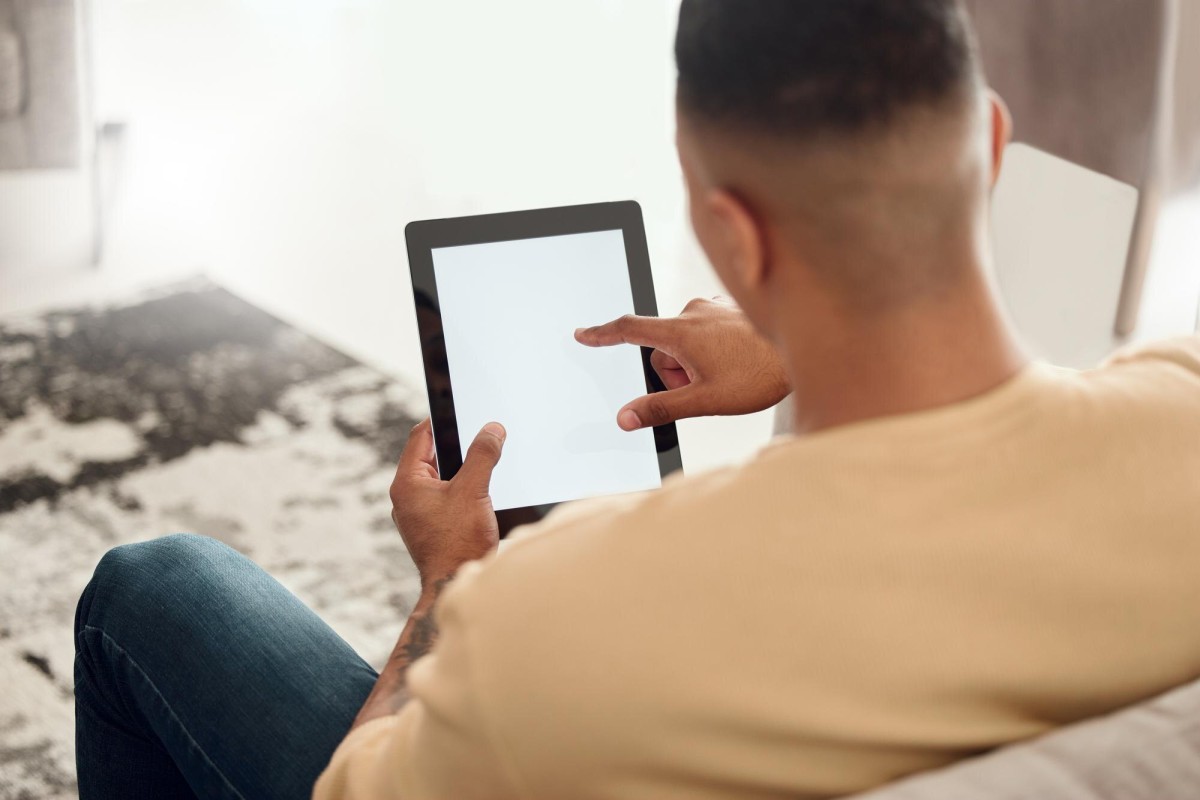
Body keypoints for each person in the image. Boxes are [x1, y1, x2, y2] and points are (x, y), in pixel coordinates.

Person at [74, 1, 1200, 798]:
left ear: (730, 232)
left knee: (152, 590)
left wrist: (452, 585)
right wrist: (802, 348)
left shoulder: (555, 614)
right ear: (992, 145)